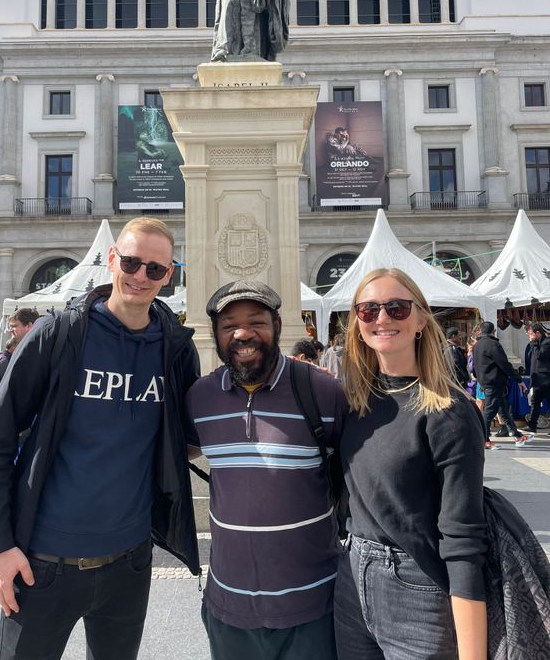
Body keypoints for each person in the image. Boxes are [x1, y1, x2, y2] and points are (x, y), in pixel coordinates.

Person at [0, 217, 200, 660]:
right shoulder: (59, 334)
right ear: (112, 259)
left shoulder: (175, 348)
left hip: (129, 565)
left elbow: (188, 434)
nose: (140, 276)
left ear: (169, 275)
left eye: (155, 269)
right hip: (42, 563)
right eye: (132, 262)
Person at [186, 280, 347, 660]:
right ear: (216, 335)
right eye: (229, 325)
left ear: (276, 325)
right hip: (229, 607)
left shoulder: (322, 391)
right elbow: (178, 450)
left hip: (314, 604)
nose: (243, 334)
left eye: (256, 321)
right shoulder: (200, 397)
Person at [334, 268, 488, 660]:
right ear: (356, 323)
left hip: (417, 586)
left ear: (420, 320)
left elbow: (464, 537)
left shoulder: (449, 411)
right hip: (351, 581)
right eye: (368, 310)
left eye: (397, 308)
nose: (382, 318)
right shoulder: (353, 401)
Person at [471, 321, 531, 449]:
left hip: (485, 382)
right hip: (494, 383)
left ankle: (516, 434)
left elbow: (474, 366)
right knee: (489, 412)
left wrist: (479, 378)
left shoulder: (477, 345)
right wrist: (518, 379)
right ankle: (484, 439)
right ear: (493, 331)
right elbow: (504, 364)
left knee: (503, 410)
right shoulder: (493, 344)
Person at [525, 323, 550, 435]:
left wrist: (534, 343)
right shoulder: (534, 345)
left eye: (531, 334)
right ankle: (532, 426)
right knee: (535, 403)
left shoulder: (547, 343)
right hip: (537, 380)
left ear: (538, 333)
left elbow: (540, 355)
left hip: (546, 380)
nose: (530, 337)